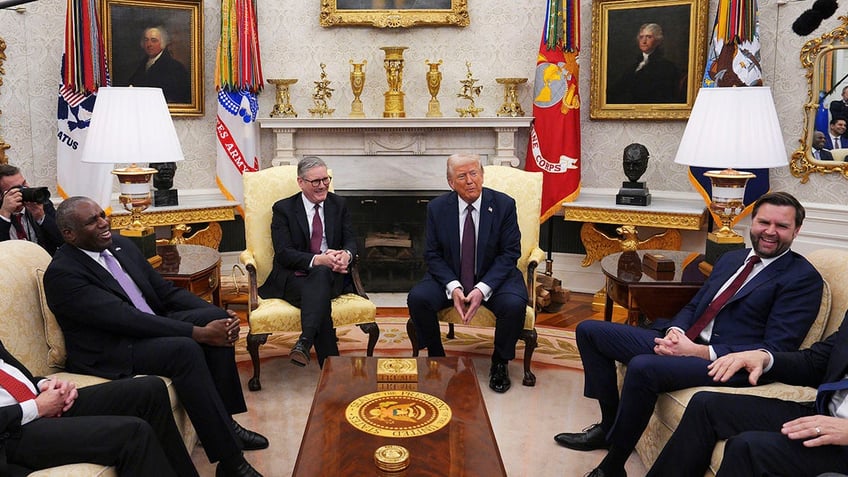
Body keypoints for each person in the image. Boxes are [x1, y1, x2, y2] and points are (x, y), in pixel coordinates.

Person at [554, 191, 824, 477]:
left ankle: (612, 466)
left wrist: (697, 351)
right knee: (590, 331)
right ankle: (608, 427)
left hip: (729, 363)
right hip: (688, 341)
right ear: (752, 223)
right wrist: (675, 331)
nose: (770, 232)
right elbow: (696, 304)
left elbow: (775, 347)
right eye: (763, 222)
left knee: (644, 367)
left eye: (781, 226)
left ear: (797, 230)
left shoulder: (802, 279)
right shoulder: (733, 258)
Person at [42, 196, 266, 477]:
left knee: (215, 322)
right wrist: (197, 333)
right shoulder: (64, 273)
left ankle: (227, 422)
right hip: (113, 348)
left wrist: (217, 314)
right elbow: (125, 319)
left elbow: (165, 292)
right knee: (185, 348)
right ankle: (231, 460)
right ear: (69, 234)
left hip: (150, 323)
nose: (103, 223)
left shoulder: (120, 244)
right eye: (92, 221)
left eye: (102, 215)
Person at [646, 317, 848, 477]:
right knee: (706, 405)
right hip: (824, 414)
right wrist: (764, 358)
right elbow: (816, 363)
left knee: (748, 448)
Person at [407, 153, 527, 394]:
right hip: (451, 275)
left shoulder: (504, 205)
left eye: (474, 173)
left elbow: (510, 253)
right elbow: (432, 254)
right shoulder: (437, 208)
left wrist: (482, 289)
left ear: (482, 175)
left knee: (514, 305)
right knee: (418, 298)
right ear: (451, 182)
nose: (470, 180)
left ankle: (500, 362)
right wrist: (454, 286)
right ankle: (436, 357)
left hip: (495, 276)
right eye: (462, 176)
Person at [0, 339, 197, 476]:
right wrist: (37, 407)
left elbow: (15, 374)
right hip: (11, 432)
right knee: (133, 433)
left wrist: (43, 384)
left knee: (150, 389)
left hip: (32, 404)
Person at [258, 156, 356, 368]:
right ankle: (332, 371)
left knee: (321, 276)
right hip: (294, 278)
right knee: (319, 290)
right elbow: (284, 253)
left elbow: (351, 240)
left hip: (332, 277)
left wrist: (346, 255)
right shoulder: (283, 209)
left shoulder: (339, 204)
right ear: (300, 182)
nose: (322, 186)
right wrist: (318, 260)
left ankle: (305, 341)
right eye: (316, 182)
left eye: (325, 179)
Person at [607, 23, 683, 104]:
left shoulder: (667, 67)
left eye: (649, 37)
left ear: (658, 41)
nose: (644, 41)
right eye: (641, 37)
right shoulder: (634, 66)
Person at [0, 164, 62, 255]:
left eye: (24, 183)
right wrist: (4, 214)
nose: (25, 189)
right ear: (2, 196)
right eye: (17, 188)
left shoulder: (42, 203)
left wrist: (41, 217)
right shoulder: (2, 213)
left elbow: (63, 240)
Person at [126, 26, 191, 103]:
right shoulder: (140, 64)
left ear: (163, 43)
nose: (149, 44)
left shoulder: (175, 68)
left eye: (154, 40)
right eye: (146, 40)